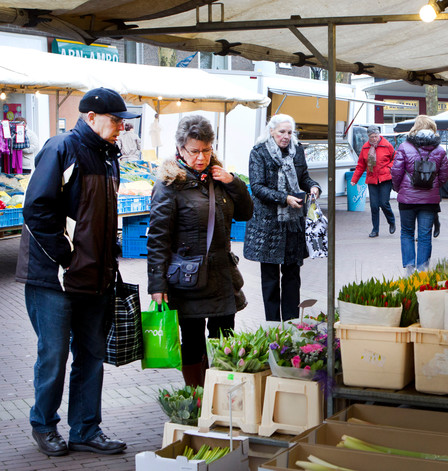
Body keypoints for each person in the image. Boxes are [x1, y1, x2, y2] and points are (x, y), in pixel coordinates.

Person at [15, 87, 139, 457]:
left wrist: (106, 265)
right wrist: (68, 258)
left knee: (91, 355)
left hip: (94, 277)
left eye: (123, 122)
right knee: (53, 355)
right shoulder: (61, 148)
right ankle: (44, 425)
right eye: (116, 120)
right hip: (55, 278)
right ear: (91, 118)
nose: (122, 127)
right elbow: (37, 210)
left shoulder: (107, 156)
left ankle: (86, 429)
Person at [147, 115, 253, 387]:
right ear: (181, 149)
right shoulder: (169, 184)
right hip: (187, 278)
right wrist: (157, 283)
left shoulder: (218, 177)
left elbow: (245, 212)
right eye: (195, 151)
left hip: (221, 273)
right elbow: (158, 237)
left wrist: (233, 182)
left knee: (225, 339)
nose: (201, 157)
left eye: (207, 150)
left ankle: (222, 394)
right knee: (192, 340)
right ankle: (197, 396)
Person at [243, 114, 321, 322]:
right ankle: (272, 325)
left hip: (293, 224)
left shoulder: (298, 151)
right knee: (269, 280)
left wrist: (314, 187)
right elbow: (257, 187)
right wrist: (284, 198)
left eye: (289, 132)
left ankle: (292, 323)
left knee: (292, 277)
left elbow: (304, 177)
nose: (286, 136)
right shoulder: (259, 152)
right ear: (271, 131)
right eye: (281, 132)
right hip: (267, 225)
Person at [391, 115, 448, 273]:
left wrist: (399, 189)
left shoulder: (404, 147)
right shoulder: (440, 150)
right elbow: (444, 176)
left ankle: (410, 270)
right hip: (429, 201)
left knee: (407, 232)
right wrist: (434, 185)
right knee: (425, 235)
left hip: (407, 199)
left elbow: (396, 172)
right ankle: (422, 270)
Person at [351, 125, 397, 238]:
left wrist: (389, 167)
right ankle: (375, 230)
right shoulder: (365, 148)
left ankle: (391, 221)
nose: (374, 139)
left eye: (376, 136)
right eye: (372, 137)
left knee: (384, 203)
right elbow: (361, 165)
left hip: (385, 178)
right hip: (372, 179)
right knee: (374, 205)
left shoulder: (387, 145)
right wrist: (354, 180)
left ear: (379, 135)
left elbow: (395, 158)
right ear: (368, 137)